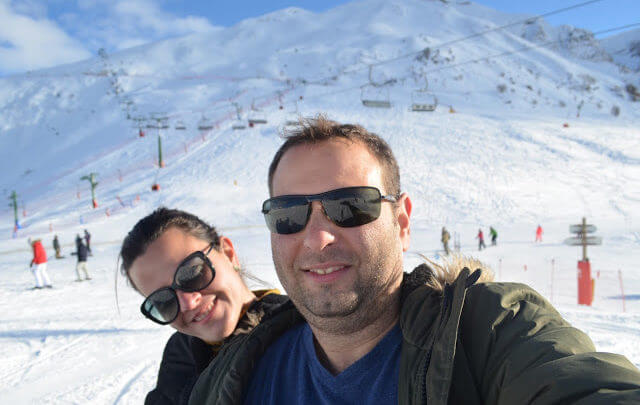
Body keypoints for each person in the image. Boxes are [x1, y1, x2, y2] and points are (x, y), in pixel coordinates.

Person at [190, 116, 640, 404]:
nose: (318, 238)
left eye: (350, 205)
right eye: (288, 214)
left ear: (402, 222)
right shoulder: (235, 375)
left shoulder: (487, 334)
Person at [118, 208, 291, 405]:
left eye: (192, 273)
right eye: (163, 301)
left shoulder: (302, 332)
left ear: (227, 253)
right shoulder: (182, 351)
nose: (188, 303)